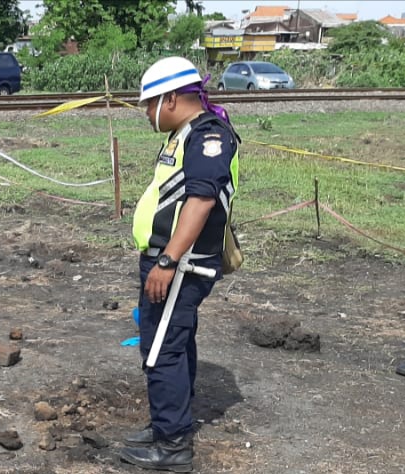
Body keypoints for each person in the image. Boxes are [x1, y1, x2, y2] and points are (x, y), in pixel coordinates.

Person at [119, 56, 240, 473]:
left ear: (170, 98)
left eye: (148, 103)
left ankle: (172, 446)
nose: (146, 113)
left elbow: (202, 199)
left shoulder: (209, 136)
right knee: (174, 342)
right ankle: (167, 425)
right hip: (168, 260)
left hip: (182, 265)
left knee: (161, 350)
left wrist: (168, 260)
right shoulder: (183, 134)